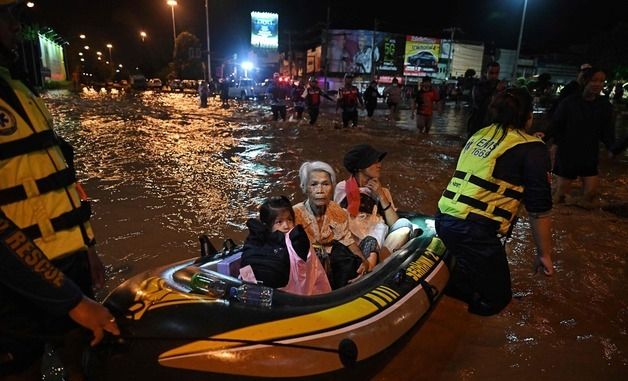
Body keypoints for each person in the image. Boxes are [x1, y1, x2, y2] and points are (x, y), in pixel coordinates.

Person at [0, 2, 120, 380]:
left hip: (68, 272)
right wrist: (69, 299)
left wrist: (86, 247)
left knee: (86, 367)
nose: (17, 28)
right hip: (17, 289)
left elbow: (54, 179)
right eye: (7, 18)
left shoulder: (17, 88)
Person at [436, 87, 555, 316]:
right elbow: (539, 210)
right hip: (474, 231)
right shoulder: (534, 150)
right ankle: (458, 321)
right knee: (498, 300)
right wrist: (544, 254)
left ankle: (453, 296)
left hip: (445, 219)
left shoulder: (480, 134)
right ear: (529, 117)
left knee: (471, 277)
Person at [293, 161, 369, 289]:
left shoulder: (337, 211)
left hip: (331, 265)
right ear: (304, 188)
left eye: (325, 184)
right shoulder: (295, 215)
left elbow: (347, 240)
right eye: (313, 184)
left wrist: (363, 262)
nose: (320, 190)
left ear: (332, 187)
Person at [548, 67, 615, 209]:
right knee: (560, 197)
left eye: (601, 81)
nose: (597, 84)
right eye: (594, 80)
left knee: (590, 196)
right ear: (585, 81)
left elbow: (607, 130)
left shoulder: (604, 105)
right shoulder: (569, 103)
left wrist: (611, 148)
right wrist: (548, 140)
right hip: (567, 154)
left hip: (589, 154)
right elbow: (556, 125)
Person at [334, 144, 414, 262]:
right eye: (374, 162)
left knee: (404, 225)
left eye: (379, 161)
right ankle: (374, 260)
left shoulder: (383, 191)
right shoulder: (343, 188)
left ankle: (379, 258)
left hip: (379, 239)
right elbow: (338, 220)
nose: (379, 165)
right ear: (360, 167)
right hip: (355, 243)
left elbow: (393, 223)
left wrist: (380, 195)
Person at [240, 196, 330, 294]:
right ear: (268, 226)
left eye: (290, 220)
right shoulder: (259, 243)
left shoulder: (298, 241)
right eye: (279, 222)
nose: (286, 226)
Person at [467, 61, 505, 137]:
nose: (494, 76)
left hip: (493, 125)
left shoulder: (502, 87)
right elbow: (479, 104)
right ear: (486, 73)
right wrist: (495, 90)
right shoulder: (478, 86)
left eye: (496, 73)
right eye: (491, 73)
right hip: (477, 124)